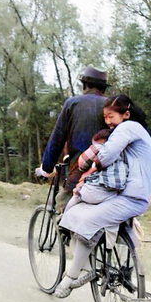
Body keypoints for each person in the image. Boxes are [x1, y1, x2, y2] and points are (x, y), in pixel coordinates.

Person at [53, 94, 151, 298]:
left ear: (126, 114)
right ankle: (87, 265)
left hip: (131, 197)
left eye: (111, 116)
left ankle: (72, 276)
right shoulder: (136, 131)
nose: (108, 122)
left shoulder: (128, 127)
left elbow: (106, 155)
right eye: (105, 118)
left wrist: (91, 169)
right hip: (126, 193)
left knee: (88, 219)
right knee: (78, 210)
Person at [35, 66, 111, 211]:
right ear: (103, 88)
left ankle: (64, 229)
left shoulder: (72, 104)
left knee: (63, 208)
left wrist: (45, 169)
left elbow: (57, 139)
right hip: (108, 174)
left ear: (84, 85)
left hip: (78, 173)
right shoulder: (112, 106)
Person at [63, 128, 128, 212]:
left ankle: (64, 219)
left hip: (98, 189)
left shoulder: (100, 147)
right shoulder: (122, 153)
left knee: (77, 193)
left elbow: (82, 162)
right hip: (116, 193)